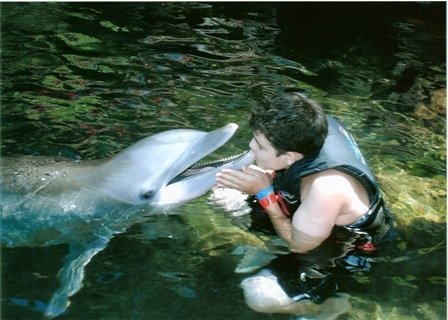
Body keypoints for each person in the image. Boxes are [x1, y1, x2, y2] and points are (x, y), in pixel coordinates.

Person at [214, 93, 393, 318]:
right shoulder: (308, 130)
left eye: (259, 146)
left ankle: (330, 304)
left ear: (289, 156)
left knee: (259, 294)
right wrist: (264, 177)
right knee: (226, 192)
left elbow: (300, 246)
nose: (251, 146)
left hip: (344, 247)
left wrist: (263, 193)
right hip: (313, 217)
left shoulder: (326, 188)